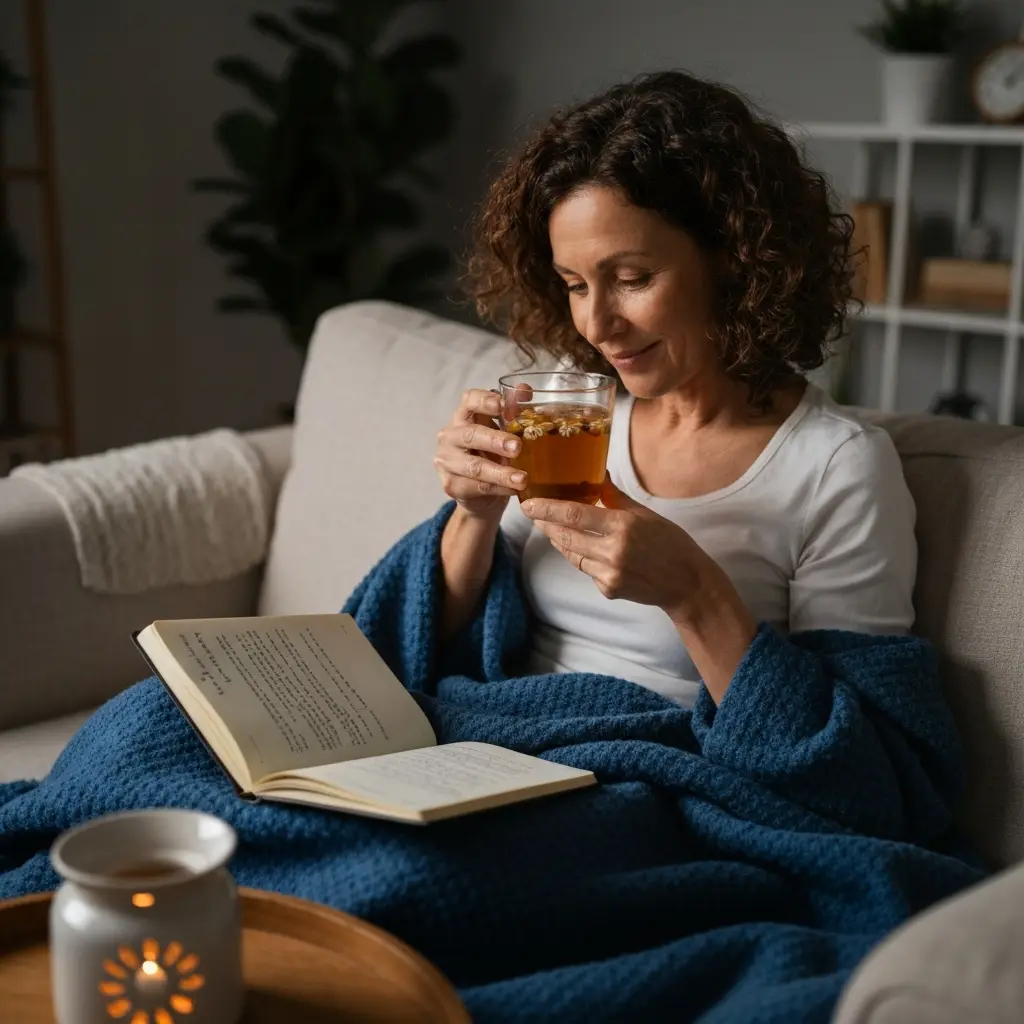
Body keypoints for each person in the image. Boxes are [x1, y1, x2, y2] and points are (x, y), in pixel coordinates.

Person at [432, 70, 916, 708]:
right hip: (499, 740)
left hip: (647, 779)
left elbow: (855, 761)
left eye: (631, 277)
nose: (598, 326)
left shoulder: (836, 467)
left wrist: (691, 592)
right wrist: (475, 512)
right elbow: (433, 645)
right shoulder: (576, 422)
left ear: (735, 257)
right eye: (576, 285)